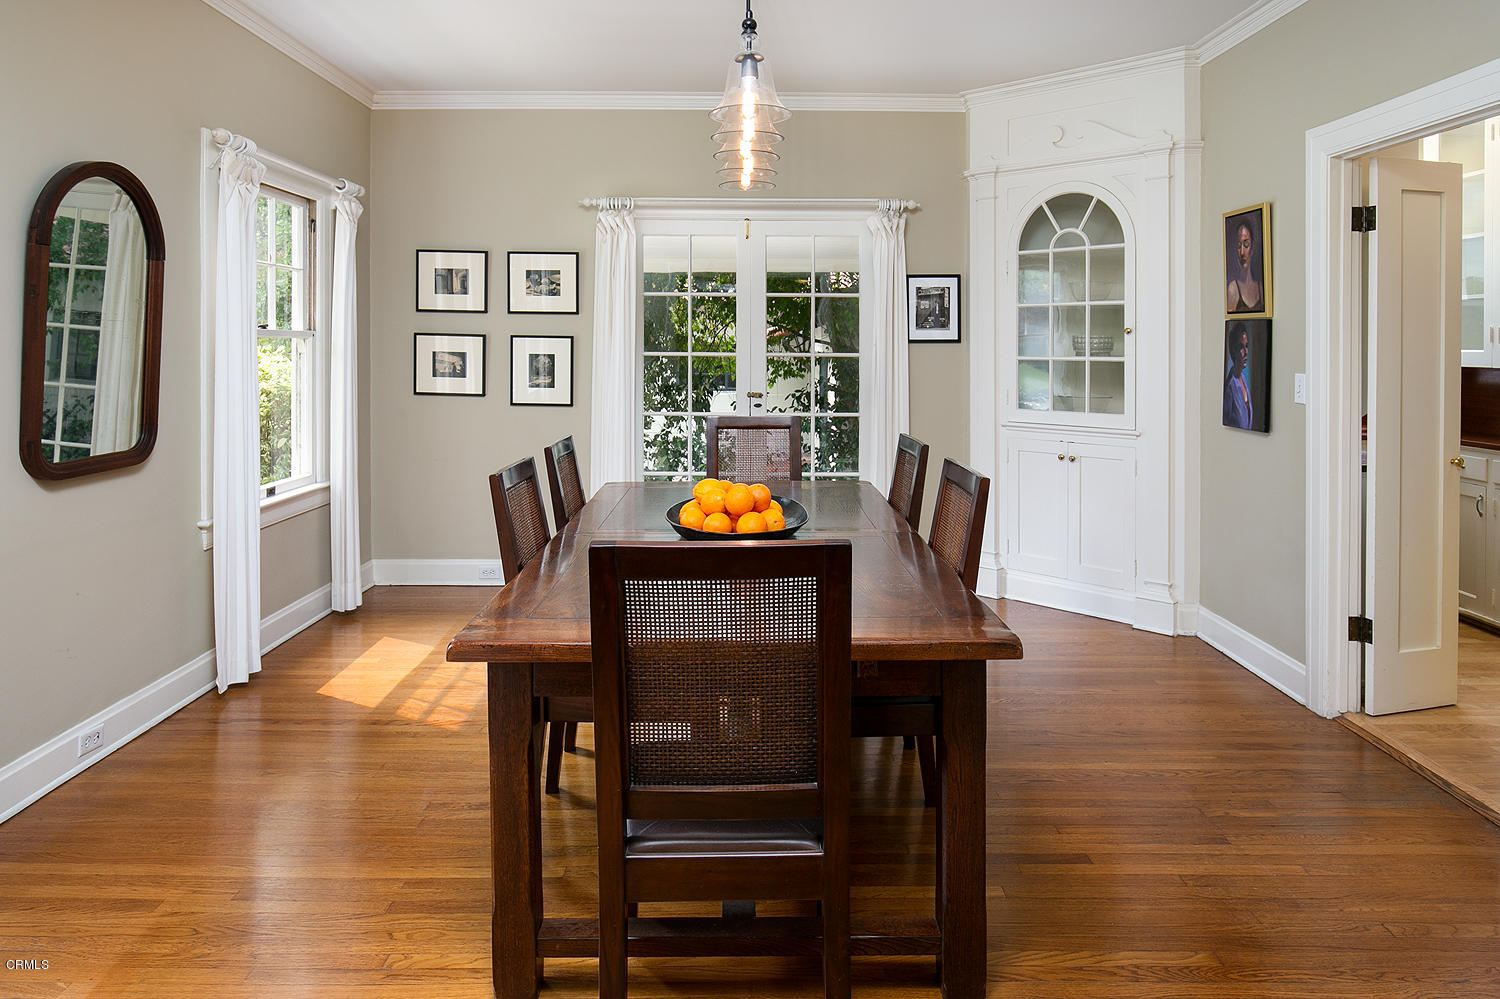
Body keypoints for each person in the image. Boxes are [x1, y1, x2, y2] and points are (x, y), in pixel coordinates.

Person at [1226, 221, 1264, 314]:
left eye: (1246, 244)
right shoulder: (1233, 289)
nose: (1242, 252)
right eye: (1239, 245)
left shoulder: (1260, 288)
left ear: (1253, 247)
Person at [1223, 322, 1252, 429]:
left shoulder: (1243, 380)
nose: (1246, 352)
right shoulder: (1230, 387)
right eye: (1241, 347)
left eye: (1246, 346)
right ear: (1234, 351)